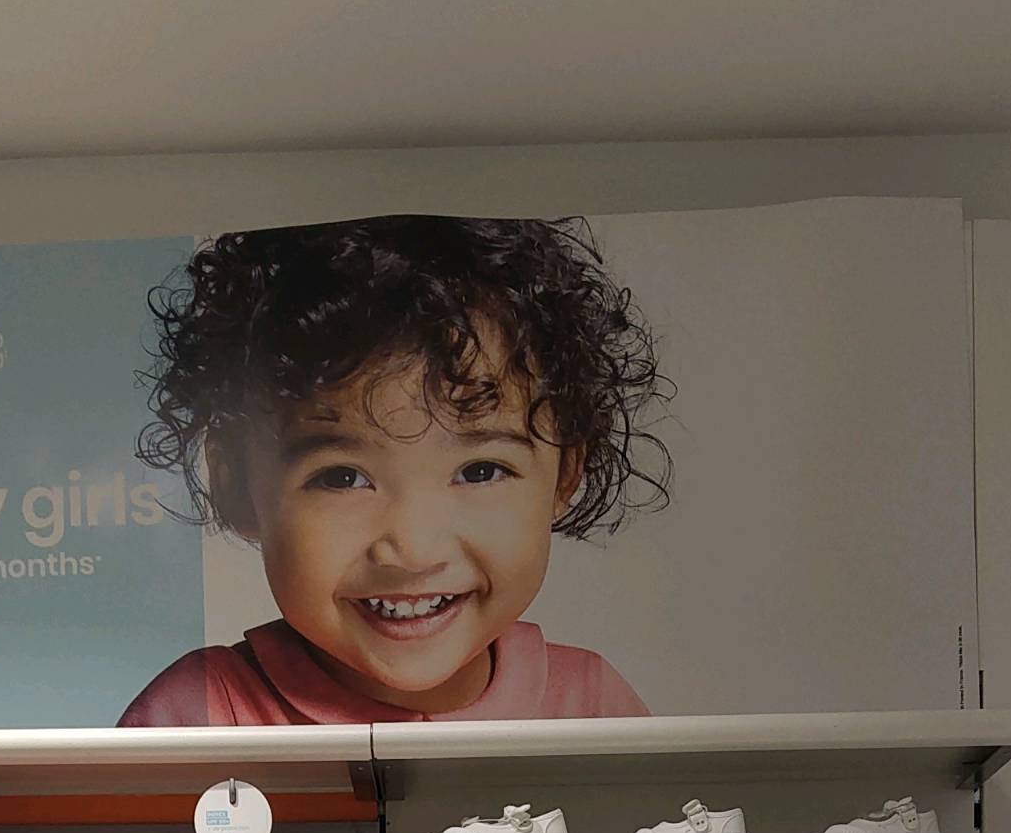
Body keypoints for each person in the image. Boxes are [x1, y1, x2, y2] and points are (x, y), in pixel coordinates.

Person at [121, 214, 670, 726]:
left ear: (567, 471)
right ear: (237, 486)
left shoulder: (593, 707)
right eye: (342, 477)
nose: (414, 550)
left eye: (480, 471)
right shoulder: (197, 717)